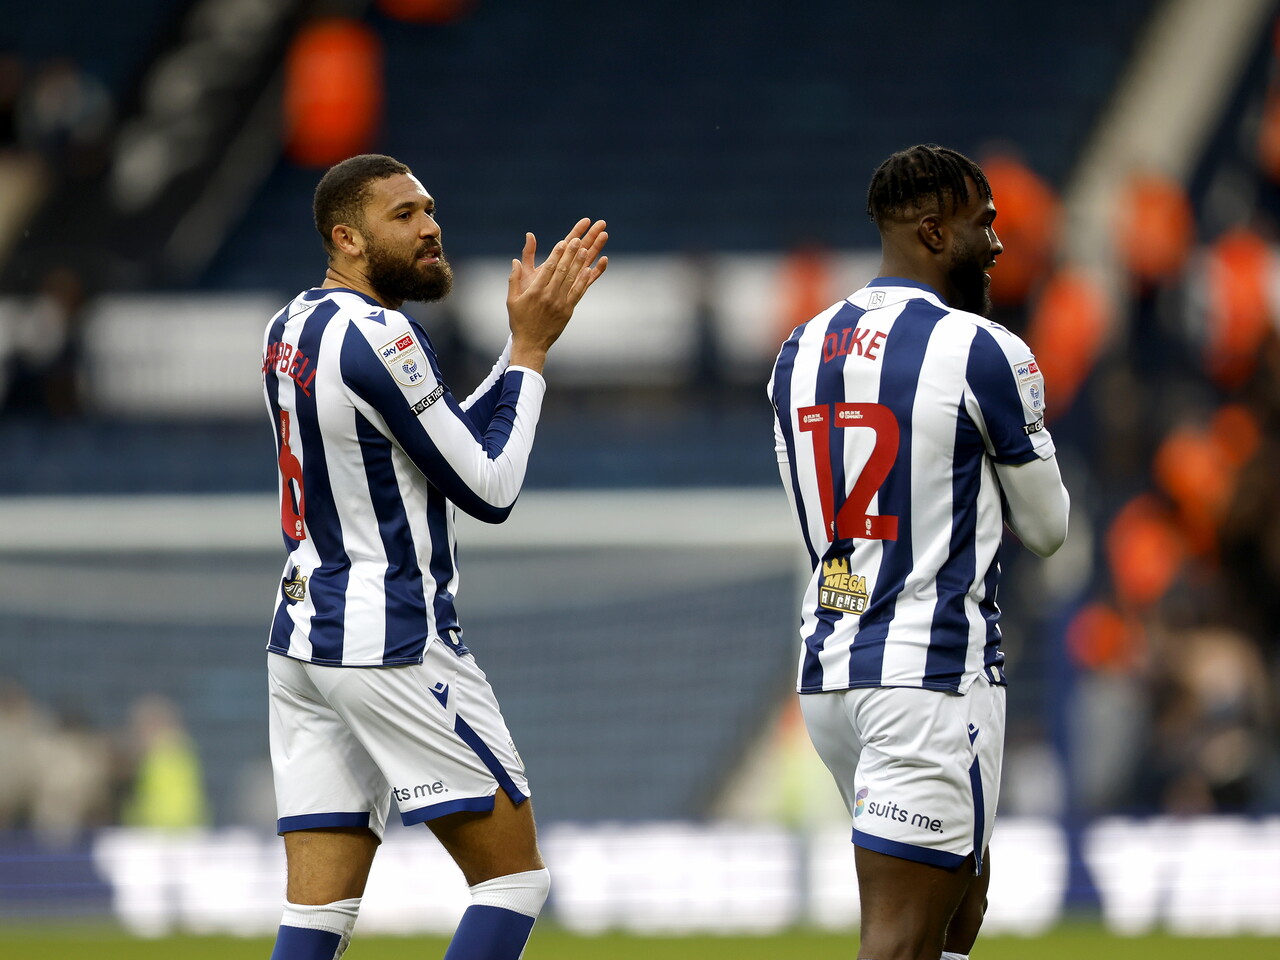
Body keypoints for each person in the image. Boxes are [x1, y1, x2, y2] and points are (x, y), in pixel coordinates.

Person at [261, 153, 607, 960]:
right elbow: (487, 487)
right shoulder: (383, 335)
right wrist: (531, 353)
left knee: (318, 911)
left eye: (429, 210)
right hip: (390, 640)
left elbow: (432, 439)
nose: (430, 227)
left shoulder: (290, 327)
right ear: (346, 238)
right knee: (512, 881)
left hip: (303, 640)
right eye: (405, 215)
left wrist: (519, 348)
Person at [767, 143, 1069, 960]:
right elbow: (1048, 528)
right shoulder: (981, 347)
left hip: (835, 669)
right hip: (929, 676)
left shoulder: (797, 351)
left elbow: (825, 530)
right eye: (986, 223)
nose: (1000, 244)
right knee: (900, 939)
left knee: (957, 908)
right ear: (934, 231)